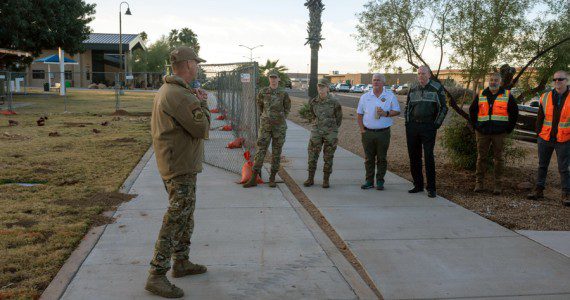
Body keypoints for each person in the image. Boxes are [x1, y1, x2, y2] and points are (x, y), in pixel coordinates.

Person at [146, 46, 210, 298]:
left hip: (178, 163)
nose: (198, 66)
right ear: (188, 65)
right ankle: (156, 274)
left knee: (185, 215)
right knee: (175, 217)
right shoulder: (181, 95)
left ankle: (181, 262)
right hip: (179, 166)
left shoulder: (171, 90)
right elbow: (201, 128)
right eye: (196, 62)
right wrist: (202, 104)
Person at [469, 72, 519, 194]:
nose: (493, 82)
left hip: (499, 133)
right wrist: (476, 126)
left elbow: (514, 113)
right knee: (481, 158)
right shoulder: (481, 94)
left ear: (500, 82)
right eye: (491, 80)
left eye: (496, 80)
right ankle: (479, 183)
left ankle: (498, 185)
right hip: (482, 132)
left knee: (499, 159)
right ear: (488, 81)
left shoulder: (507, 95)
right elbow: (472, 111)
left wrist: (508, 129)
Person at [527, 70, 570, 206]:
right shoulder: (545, 96)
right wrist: (538, 133)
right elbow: (540, 116)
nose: (557, 82)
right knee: (542, 165)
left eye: (560, 79)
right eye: (555, 79)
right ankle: (538, 190)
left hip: (564, 139)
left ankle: (566, 194)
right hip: (545, 137)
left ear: (567, 81)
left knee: (564, 168)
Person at [405, 65, 448, 198]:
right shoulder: (413, 88)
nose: (421, 76)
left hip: (428, 127)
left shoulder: (436, 88)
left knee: (428, 157)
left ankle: (431, 188)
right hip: (413, 127)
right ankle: (418, 185)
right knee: (414, 156)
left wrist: (436, 124)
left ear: (429, 75)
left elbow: (444, 108)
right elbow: (407, 106)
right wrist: (407, 123)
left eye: (423, 73)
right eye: (419, 74)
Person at [243, 69, 291, 188]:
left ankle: (272, 178)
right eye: (271, 77)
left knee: (276, 152)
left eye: (275, 78)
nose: (273, 80)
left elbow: (287, 108)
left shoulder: (283, 93)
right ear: (269, 79)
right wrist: (265, 116)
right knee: (261, 150)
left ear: (278, 79)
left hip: (279, 128)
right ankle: (254, 177)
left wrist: (280, 118)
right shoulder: (263, 92)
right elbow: (259, 105)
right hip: (265, 126)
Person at [357, 73, 401, 190]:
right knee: (368, 158)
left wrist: (386, 113)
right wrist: (362, 130)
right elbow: (359, 114)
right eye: (374, 80)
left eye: (378, 80)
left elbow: (397, 111)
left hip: (383, 133)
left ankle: (380, 181)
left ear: (383, 82)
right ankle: (369, 181)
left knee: (382, 158)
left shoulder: (390, 96)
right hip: (368, 133)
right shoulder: (365, 97)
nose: (375, 82)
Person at [303, 78, 343, 188]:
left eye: (323, 86)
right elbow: (312, 115)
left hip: (330, 133)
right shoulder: (313, 101)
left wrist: (332, 128)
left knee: (328, 156)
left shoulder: (334, 102)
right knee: (312, 155)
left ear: (327, 88)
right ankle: (310, 178)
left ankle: (326, 180)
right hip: (316, 132)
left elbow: (339, 118)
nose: (321, 88)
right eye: (319, 86)